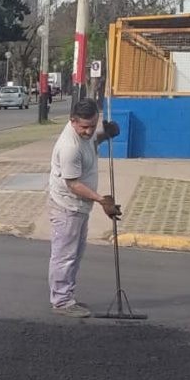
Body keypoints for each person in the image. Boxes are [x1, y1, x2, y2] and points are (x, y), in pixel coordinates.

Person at [47, 98, 122, 318]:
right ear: (73, 121)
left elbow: (91, 143)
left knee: (75, 253)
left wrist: (104, 135)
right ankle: (61, 301)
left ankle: (66, 295)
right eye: (84, 127)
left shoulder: (85, 135)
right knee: (65, 255)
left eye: (92, 126)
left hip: (79, 207)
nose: (88, 131)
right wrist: (102, 200)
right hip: (67, 206)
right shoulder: (69, 147)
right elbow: (73, 184)